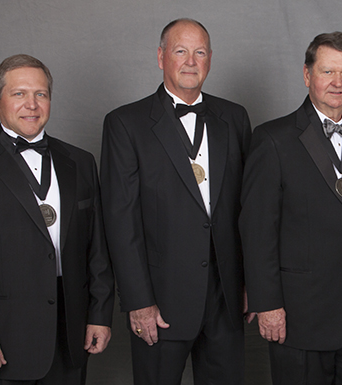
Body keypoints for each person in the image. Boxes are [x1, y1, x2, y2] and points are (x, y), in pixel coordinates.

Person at [0, 54, 114, 384]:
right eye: (19, 94)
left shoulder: (81, 162)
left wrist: (99, 315)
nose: (31, 104)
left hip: (70, 337)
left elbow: (97, 250)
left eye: (40, 94)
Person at [100, 18, 252, 385]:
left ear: (210, 59)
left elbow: (250, 210)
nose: (190, 61)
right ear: (160, 57)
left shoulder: (234, 117)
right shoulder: (125, 123)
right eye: (180, 51)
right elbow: (120, 220)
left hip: (226, 300)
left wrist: (252, 285)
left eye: (200, 52)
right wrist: (138, 300)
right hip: (159, 302)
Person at [239, 31, 342, 385]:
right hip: (298, 313)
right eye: (327, 72)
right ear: (307, 75)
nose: (338, 83)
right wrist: (267, 304)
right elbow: (257, 228)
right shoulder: (273, 138)